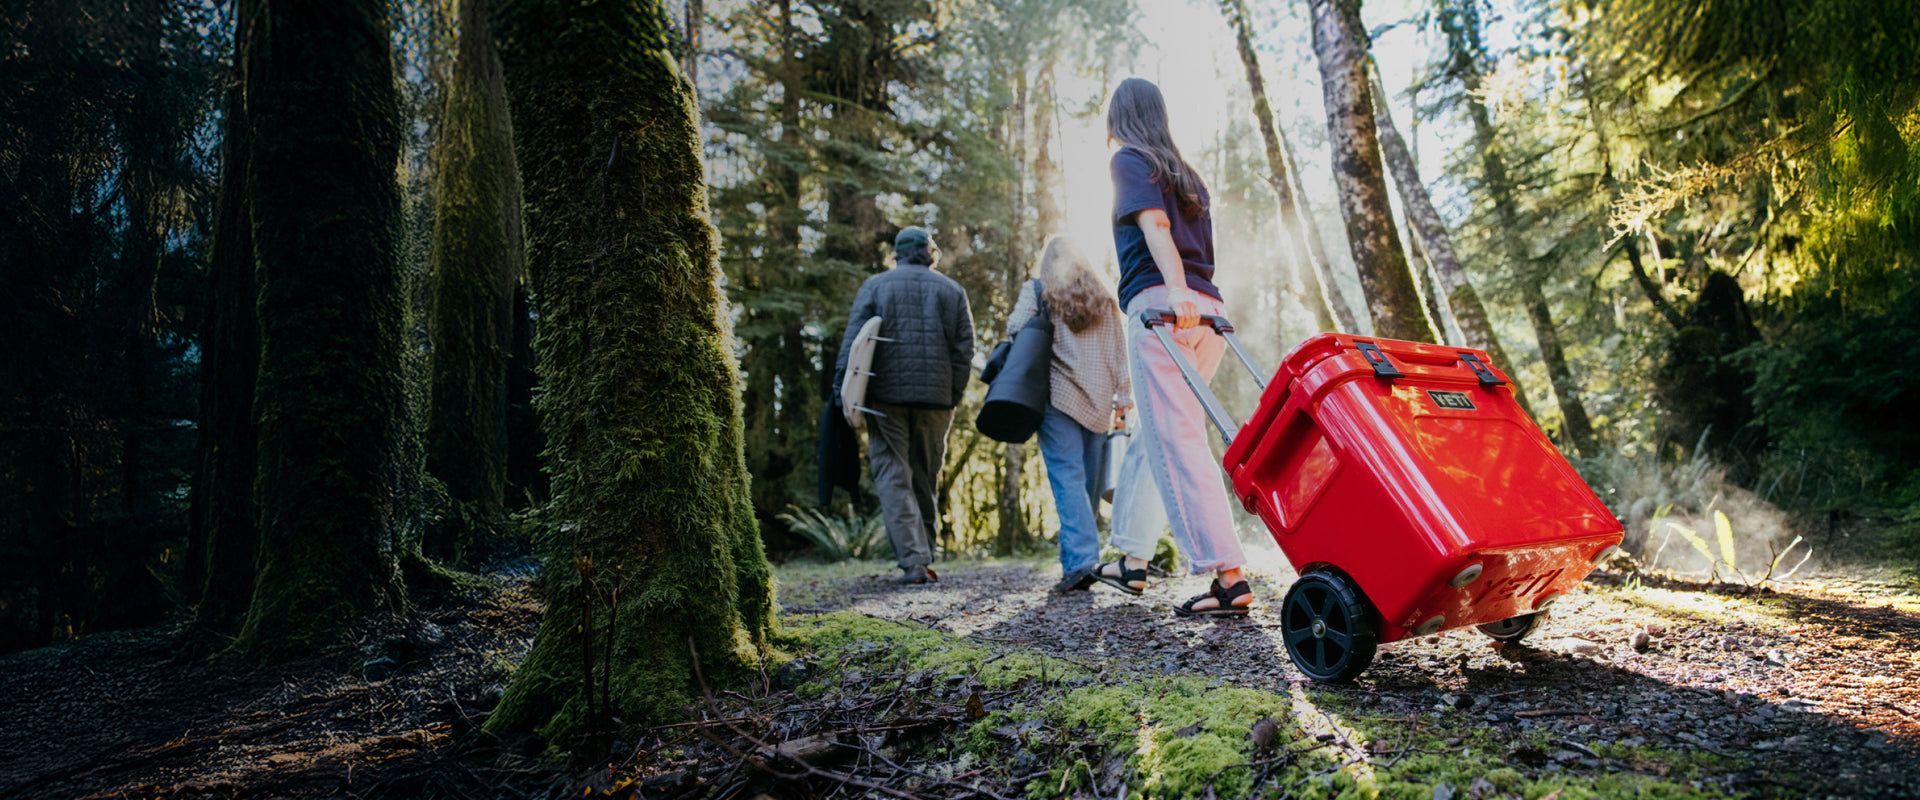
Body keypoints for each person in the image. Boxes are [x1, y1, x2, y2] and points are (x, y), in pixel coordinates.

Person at [1091, 77, 1253, 617]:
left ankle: (1227, 575)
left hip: (1166, 308)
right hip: (1209, 314)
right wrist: (1190, 292)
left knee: (1177, 436)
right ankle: (1132, 560)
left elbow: (1155, 224)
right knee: (1155, 431)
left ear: (1120, 118)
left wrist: (1176, 289)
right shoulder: (1186, 174)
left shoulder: (1130, 161)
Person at [832, 226, 975, 584]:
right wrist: (953, 397)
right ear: (928, 252)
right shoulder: (952, 290)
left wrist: (843, 393)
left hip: (885, 399)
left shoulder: (876, 286)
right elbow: (964, 351)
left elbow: (854, 345)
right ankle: (926, 552)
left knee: (894, 476)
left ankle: (914, 562)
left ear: (897, 254)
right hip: (935, 400)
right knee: (926, 476)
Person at [1004, 235, 1133, 593]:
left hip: (1057, 397)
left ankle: (1081, 564)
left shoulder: (1040, 290)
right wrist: (1123, 399)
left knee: (1068, 482)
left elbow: (1015, 327)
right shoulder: (1106, 297)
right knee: (1086, 485)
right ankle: (1076, 562)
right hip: (1099, 401)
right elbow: (1121, 352)